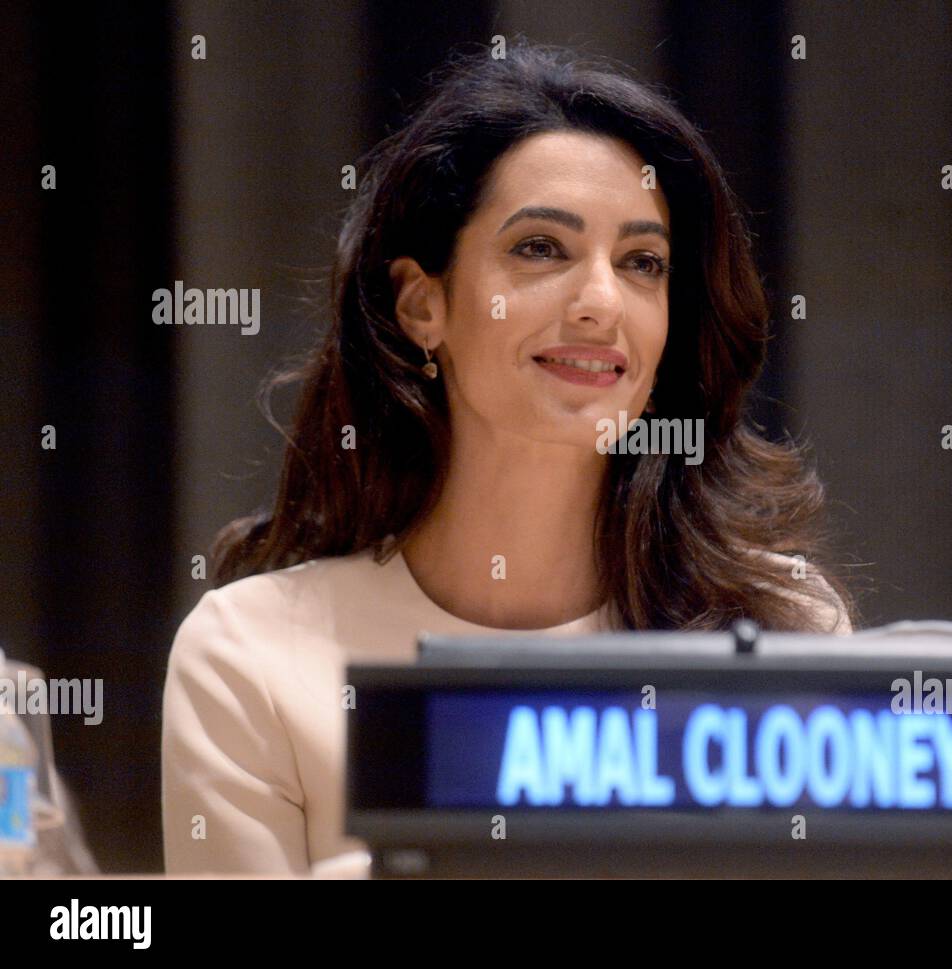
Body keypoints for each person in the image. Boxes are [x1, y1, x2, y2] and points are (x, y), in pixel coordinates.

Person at [162, 40, 857, 875]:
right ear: (423, 304)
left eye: (643, 263)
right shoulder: (251, 654)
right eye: (541, 248)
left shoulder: (783, 627)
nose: (601, 302)